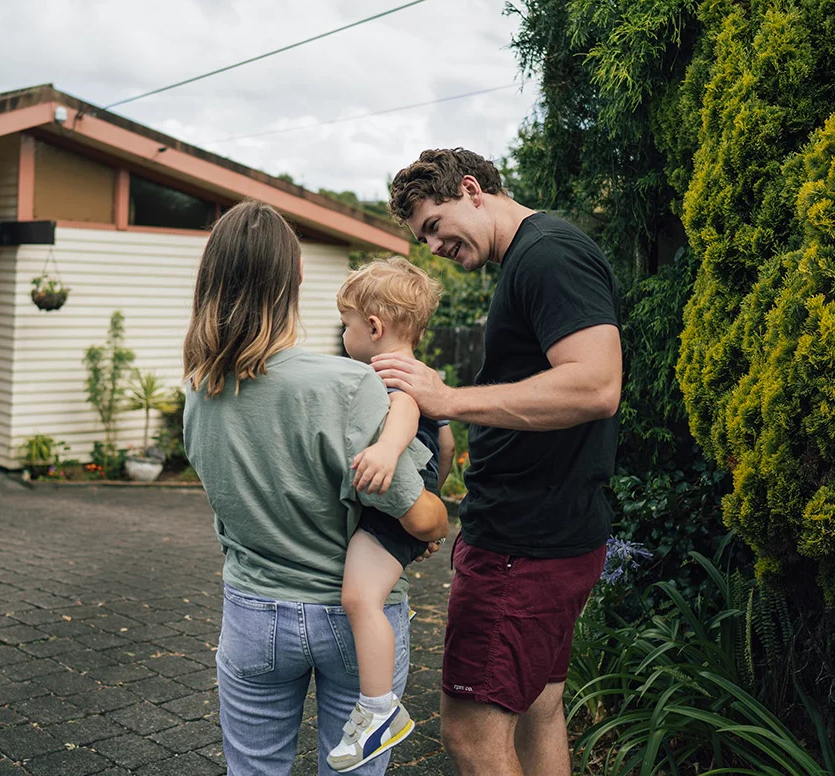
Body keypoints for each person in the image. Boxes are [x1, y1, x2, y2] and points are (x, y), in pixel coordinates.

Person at [373, 148, 622, 776]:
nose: (431, 246)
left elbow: (596, 385)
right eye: (421, 237)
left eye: (433, 226)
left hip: (523, 543)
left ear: (470, 189)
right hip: (547, 533)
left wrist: (448, 398)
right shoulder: (533, 256)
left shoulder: (547, 256)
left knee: (471, 730)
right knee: (540, 707)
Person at [182, 200, 450, 776]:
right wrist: (429, 528)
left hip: (253, 613)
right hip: (352, 622)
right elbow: (420, 516)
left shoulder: (198, 390)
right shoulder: (350, 385)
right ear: (295, 280)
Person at [329, 258, 456, 772]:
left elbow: (403, 409)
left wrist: (386, 452)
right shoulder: (429, 375)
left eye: (348, 324)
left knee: (360, 597)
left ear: (374, 328)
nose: (344, 334)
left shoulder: (388, 372)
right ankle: (377, 705)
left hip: (390, 503)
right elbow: (445, 444)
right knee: (366, 595)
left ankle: (379, 708)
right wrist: (425, 503)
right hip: (407, 504)